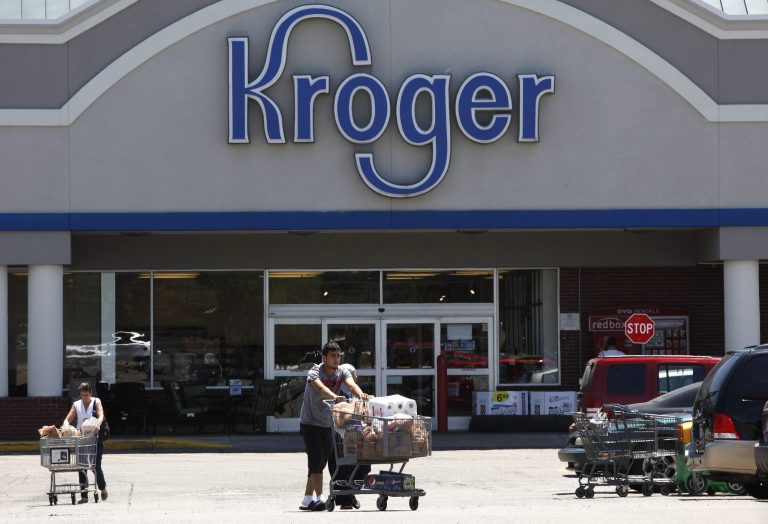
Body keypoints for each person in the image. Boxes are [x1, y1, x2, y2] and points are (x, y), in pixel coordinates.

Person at [299, 342, 370, 511]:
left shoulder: (342, 371)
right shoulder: (315, 371)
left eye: (338, 356)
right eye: (332, 356)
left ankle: (307, 498)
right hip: (310, 423)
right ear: (324, 357)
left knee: (323, 461)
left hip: (329, 424)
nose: (336, 359)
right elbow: (320, 388)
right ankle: (320, 498)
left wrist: (361, 394)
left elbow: (351, 384)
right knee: (316, 460)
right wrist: (334, 396)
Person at [329, 363, 370, 510]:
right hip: (339, 437)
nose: (356, 377)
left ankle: (350, 494)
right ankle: (346, 497)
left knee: (364, 464)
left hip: (354, 437)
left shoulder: (354, 394)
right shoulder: (338, 394)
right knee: (342, 467)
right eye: (354, 374)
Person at [61, 382, 108, 503]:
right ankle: (84, 495)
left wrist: (98, 422)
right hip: (82, 439)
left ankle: (102, 488)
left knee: (96, 465)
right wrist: (66, 425)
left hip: (95, 438)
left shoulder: (96, 401)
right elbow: (68, 418)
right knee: (82, 466)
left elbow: (101, 414)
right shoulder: (76, 404)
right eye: (82, 395)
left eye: (86, 394)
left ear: (90, 393)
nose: (84, 397)